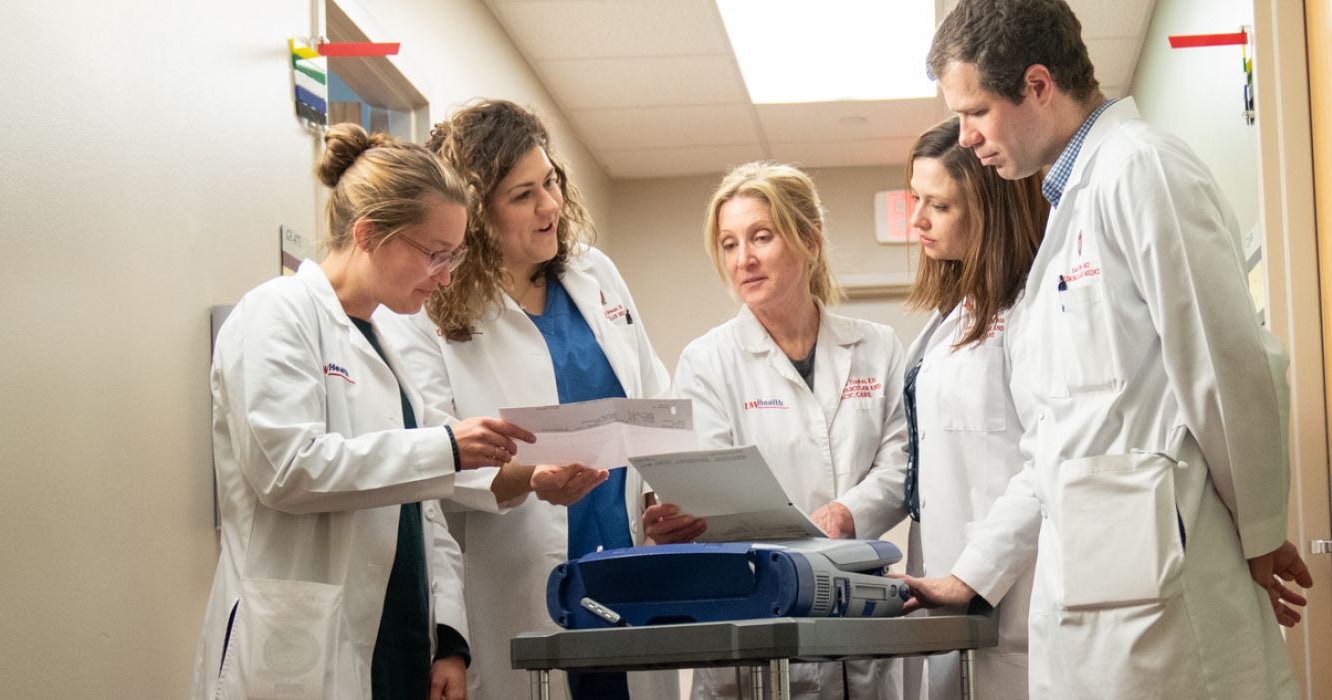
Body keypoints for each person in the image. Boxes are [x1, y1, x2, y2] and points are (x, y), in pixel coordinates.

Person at [900, 0, 1313, 697]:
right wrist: (968, 575)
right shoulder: (1068, 207)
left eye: (975, 113)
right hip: (1096, 591)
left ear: (1037, 85)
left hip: (1168, 601)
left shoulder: (1141, 168)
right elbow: (1056, 437)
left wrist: (1262, 534)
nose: (965, 138)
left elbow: (1227, 363)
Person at [193, 123, 539, 700]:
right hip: (300, 645)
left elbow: (424, 508)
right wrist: (445, 446)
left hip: (398, 640)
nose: (447, 276)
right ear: (369, 234)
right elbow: (286, 470)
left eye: (455, 256)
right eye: (436, 254)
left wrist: (448, 638)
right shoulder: (275, 315)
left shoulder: (386, 341)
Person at [379, 99, 679, 700]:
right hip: (516, 580)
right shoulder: (426, 310)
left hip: (624, 564)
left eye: (550, 183)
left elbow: (655, 400)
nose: (549, 206)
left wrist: (663, 497)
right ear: (476, 215)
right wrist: (529, 478)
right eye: (522, 195)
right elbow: (434, 458)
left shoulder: (595, 275)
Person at [649, 161, 909, 699]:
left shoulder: (877, 346)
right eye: (728, 244)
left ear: (809, 241)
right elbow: (712, 486)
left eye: (761, 237)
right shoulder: (708, 361)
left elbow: (900, 462)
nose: (742, 259)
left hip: (854, 605)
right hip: (752, 604)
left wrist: (849, 512)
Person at [897, 118, 1047, 699]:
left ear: (988, 210)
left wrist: (973, 573)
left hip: (1014, 598)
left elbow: (1045, 460)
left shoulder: (1031, 311)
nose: (917, 220)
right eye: (917, 199)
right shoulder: (954, 318)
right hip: (958, 593)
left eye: (939, 205)